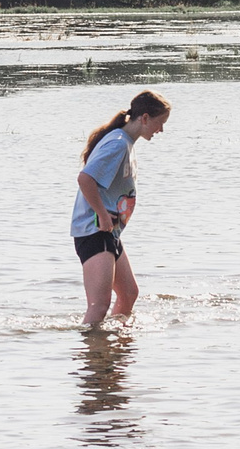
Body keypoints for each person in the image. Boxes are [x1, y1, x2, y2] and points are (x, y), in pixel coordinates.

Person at [73, 90, 172, 328]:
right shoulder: (117, 143)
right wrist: (102, 215)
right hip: (94, 232)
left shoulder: (124, 142)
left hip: (110, 233)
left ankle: (115, 343)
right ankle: (92, 349)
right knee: (99, 305)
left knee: (128, 294)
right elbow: (85, 179)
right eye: (160, 123)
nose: (161, 130)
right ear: (145, 118)